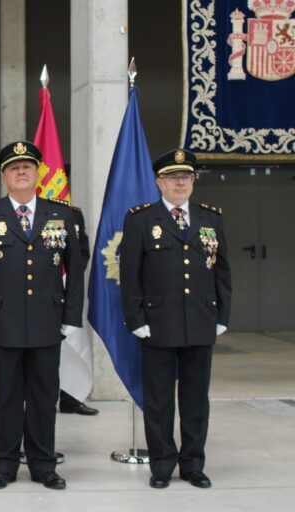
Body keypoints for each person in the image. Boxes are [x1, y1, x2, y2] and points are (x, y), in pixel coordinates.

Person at [0, 141, 84, 490]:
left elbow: (76, 272)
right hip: (2, 323)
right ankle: (5, 465)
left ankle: (44, 465)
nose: (21, 172)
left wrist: (71, 318)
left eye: (27, 167)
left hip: (48, 321)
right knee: (6, 398)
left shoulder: (61, 214)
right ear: (4, 176)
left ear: (37, 173)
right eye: (13, 168)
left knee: (45, 397)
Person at [120, 148, 231, 490]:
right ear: (159, 182)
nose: (179, 182)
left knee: (196, 399)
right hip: (158, 324)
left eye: (185, 177)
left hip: (200, 320)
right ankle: (163, 464)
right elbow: (130, 274)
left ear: (193, 182)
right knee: (159, 400)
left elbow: (223, 271)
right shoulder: (140, 219)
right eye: (172, 177)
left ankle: (193, 463)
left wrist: (221, 315)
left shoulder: (210, 218)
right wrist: (136, 318)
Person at [57, 205, 99, 416]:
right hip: (37, 291)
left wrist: (69, 274)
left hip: (68, 286)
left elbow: (82, 250)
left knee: (73, 342)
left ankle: (71, 399)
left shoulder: (73, 214)